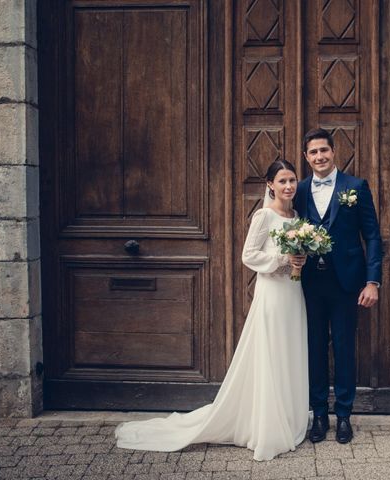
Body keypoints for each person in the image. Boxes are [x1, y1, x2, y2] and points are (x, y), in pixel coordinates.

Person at [115, 160, 309, 461]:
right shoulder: (264, 216)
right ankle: (267, 426)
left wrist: (299, 260)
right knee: (271, 352)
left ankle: (289, 416)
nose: (288, 186)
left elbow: (294, 254)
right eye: (282, 181)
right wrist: (284, 258)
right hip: (272, 293)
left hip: (293, 293)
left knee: (290, 350)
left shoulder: (296, 216)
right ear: (270, 184)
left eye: (292, 180)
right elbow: (249, 255)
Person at [294, 128, 382, 444]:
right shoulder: (299, 190)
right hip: (308, 285)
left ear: (334, 151)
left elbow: (371, 235)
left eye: (324, 150)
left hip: (346, 283)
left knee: (344, 349)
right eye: (313, 152)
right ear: (306, 157)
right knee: (314, 349)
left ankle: (344, 415)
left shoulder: (356, 187)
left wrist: (372, 281)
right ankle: (318, 414)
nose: (320, 156)